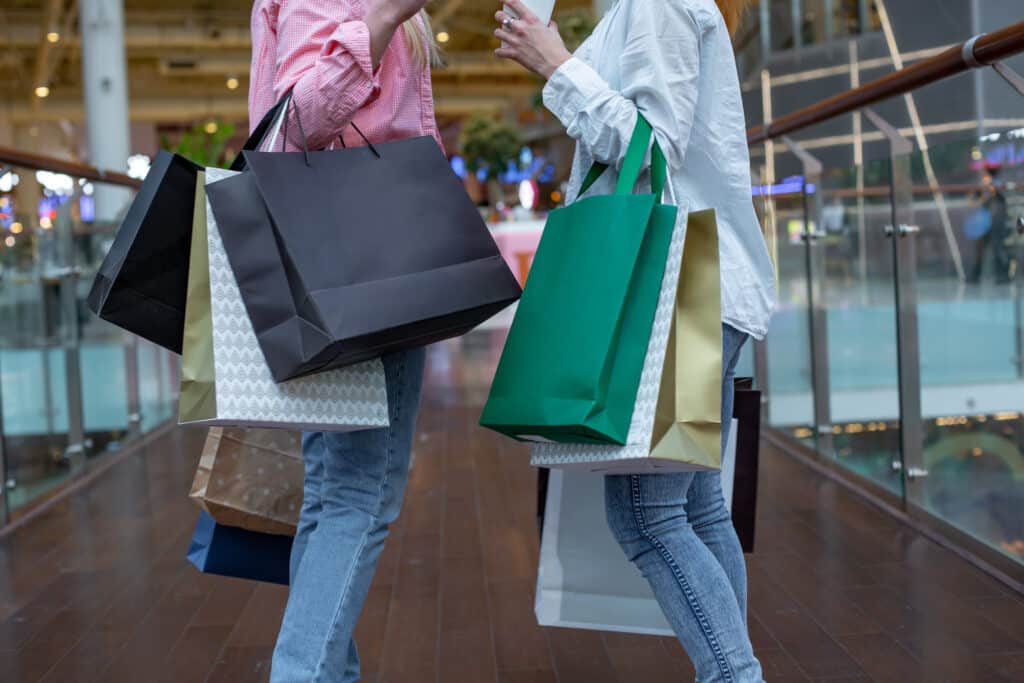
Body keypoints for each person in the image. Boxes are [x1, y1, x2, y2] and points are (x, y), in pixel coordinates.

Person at [495, 0, 774, 680]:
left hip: (676, 287)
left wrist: (556, 64)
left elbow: (652, 146)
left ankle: (737, 675)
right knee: (699, 508)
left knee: (646, 515)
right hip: (696, 285)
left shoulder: (656, 3)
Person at [247, 1, 439, 681]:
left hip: (333, 256)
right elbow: (299, 118)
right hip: (366, 258)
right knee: (362, 490)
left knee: (334, 490)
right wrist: (384, 17)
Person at [968, 165, 1012, 284]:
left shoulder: (999, 185)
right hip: (984, 222)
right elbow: (973, 200)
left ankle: (1003, 276)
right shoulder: (983, 185)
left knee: (998, 247)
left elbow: (1003, 200)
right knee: (980, 248)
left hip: (996, 222)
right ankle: (975, 276)